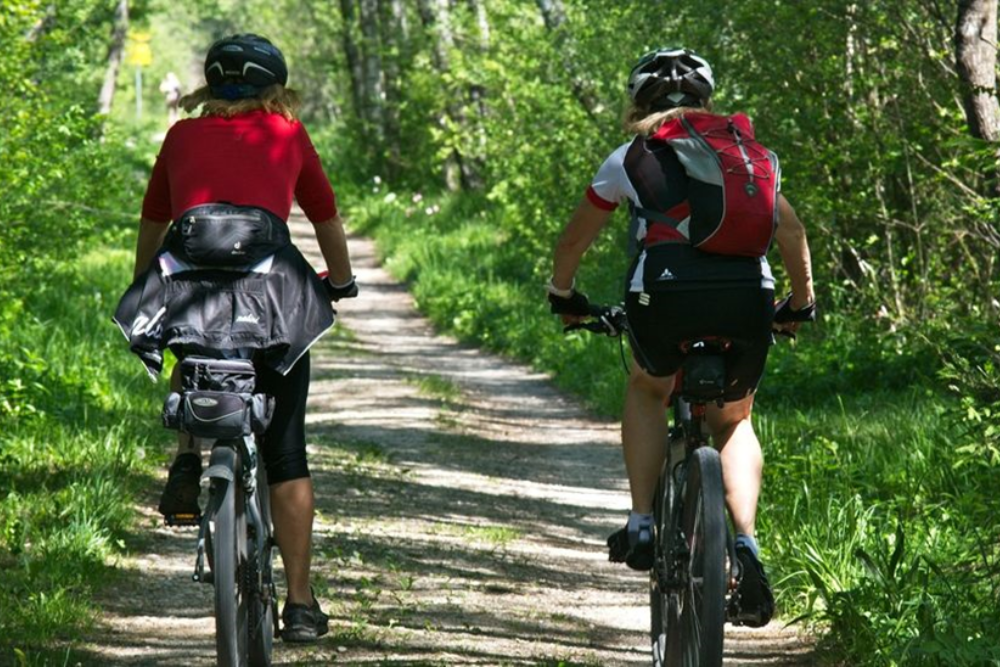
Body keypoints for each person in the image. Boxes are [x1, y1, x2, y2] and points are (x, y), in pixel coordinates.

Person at [547, 47, 815, 627]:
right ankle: (746, 544)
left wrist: (563, 297)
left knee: (648, 387)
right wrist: (800, 304)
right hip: (748, 297)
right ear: (706, 101)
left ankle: (642, 523)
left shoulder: (629, 157)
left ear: (638, 103)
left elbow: (572, 243)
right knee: (734, 420)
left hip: (664, 298)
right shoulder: (745, 154)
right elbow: (790, 228)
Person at [129, 34, 357, 643]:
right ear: (273, 88)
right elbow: (324, 216)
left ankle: (186, 455)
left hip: (189, 284)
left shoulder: (180, 136)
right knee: (287, 451)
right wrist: (342, 282)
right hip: (272, 295)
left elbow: (155, 221)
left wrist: (144, 285)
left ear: (210, 86)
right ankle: (302, 604)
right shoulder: (286, 133)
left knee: (191, 339)